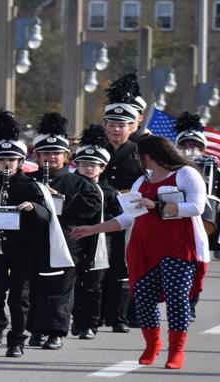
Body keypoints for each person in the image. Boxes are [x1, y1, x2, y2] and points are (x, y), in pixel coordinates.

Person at [69, 136, 209, 370]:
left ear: (151, 155)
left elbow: (197, 207)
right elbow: (127, 218)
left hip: (178, 247)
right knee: (143, 298)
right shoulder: (140, 182)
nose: (136, 159)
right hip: (143, 249)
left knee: (177, 299)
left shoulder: (186, 174)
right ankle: (152, 345)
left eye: (138, 155)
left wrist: (158, 206)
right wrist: (94, 229)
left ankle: (176, 350)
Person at [0, 111, 47, 357]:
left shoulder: (32, 185)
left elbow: (47, 216)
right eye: (1, 159)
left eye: (11, 160)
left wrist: (32, 207)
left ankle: (17, 340)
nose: (6, 164)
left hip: (24, 248)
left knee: (19, 297)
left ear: (20, 161)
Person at [23, 112, 100, 350]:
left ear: (67, 156)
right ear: (36, 155)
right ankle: (35, 329)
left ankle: (55, 332)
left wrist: (61, 200)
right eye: (45, 153)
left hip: (67, 243)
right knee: (33, 287)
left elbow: (91, 209)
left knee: (60, 288)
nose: (51, 158)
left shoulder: (80, 183)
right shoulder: (27, 180)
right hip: (32, 242)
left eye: (56, 153)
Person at [98, 72, 146, 334]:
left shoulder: (143, 148)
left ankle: (128, 313)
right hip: (103, 210)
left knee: (127, 263)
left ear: (132, 126)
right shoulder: (97, 147)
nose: (116, 129)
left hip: (132, 211)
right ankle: (102, 312)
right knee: (100, 261)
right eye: (112, 124)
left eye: (122, 124)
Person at [70, 124, 121, 340]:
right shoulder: (68, 186)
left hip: (99, 245)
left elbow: (119, 216)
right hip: (72, 243)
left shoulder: (110, 192)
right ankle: (76, 318)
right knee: (72, 284)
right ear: (77, 165)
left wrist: (100, 226)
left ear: (102, 167)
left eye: (94, 165)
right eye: (84, 164)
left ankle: (90, 324)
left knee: (93, 286)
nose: (89, 168)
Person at [174, 111, 220, 266]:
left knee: (198, 255)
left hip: (203, 215)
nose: (189, 149)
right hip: (176, 213)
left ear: (202, 148)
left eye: (193, 145)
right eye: (184, 145)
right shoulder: (170, 166)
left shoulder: (215, 168)